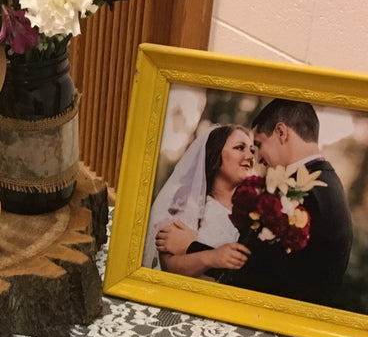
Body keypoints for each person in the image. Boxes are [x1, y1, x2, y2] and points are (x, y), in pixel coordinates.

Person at [221, 99, 353, 307]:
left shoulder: (305, 192)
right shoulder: (326, 181)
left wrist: (192, 249)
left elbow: (255, 273)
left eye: (259, 145)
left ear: (281, 132)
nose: (259, 160)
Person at [143, 125, 254, 278]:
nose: (250, 156)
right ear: (215, 154)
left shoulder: (253, 213)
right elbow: (169, 267)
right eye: (240, 148)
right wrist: (211, 256)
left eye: (252, 150)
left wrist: (194, 246)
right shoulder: (185, 203)